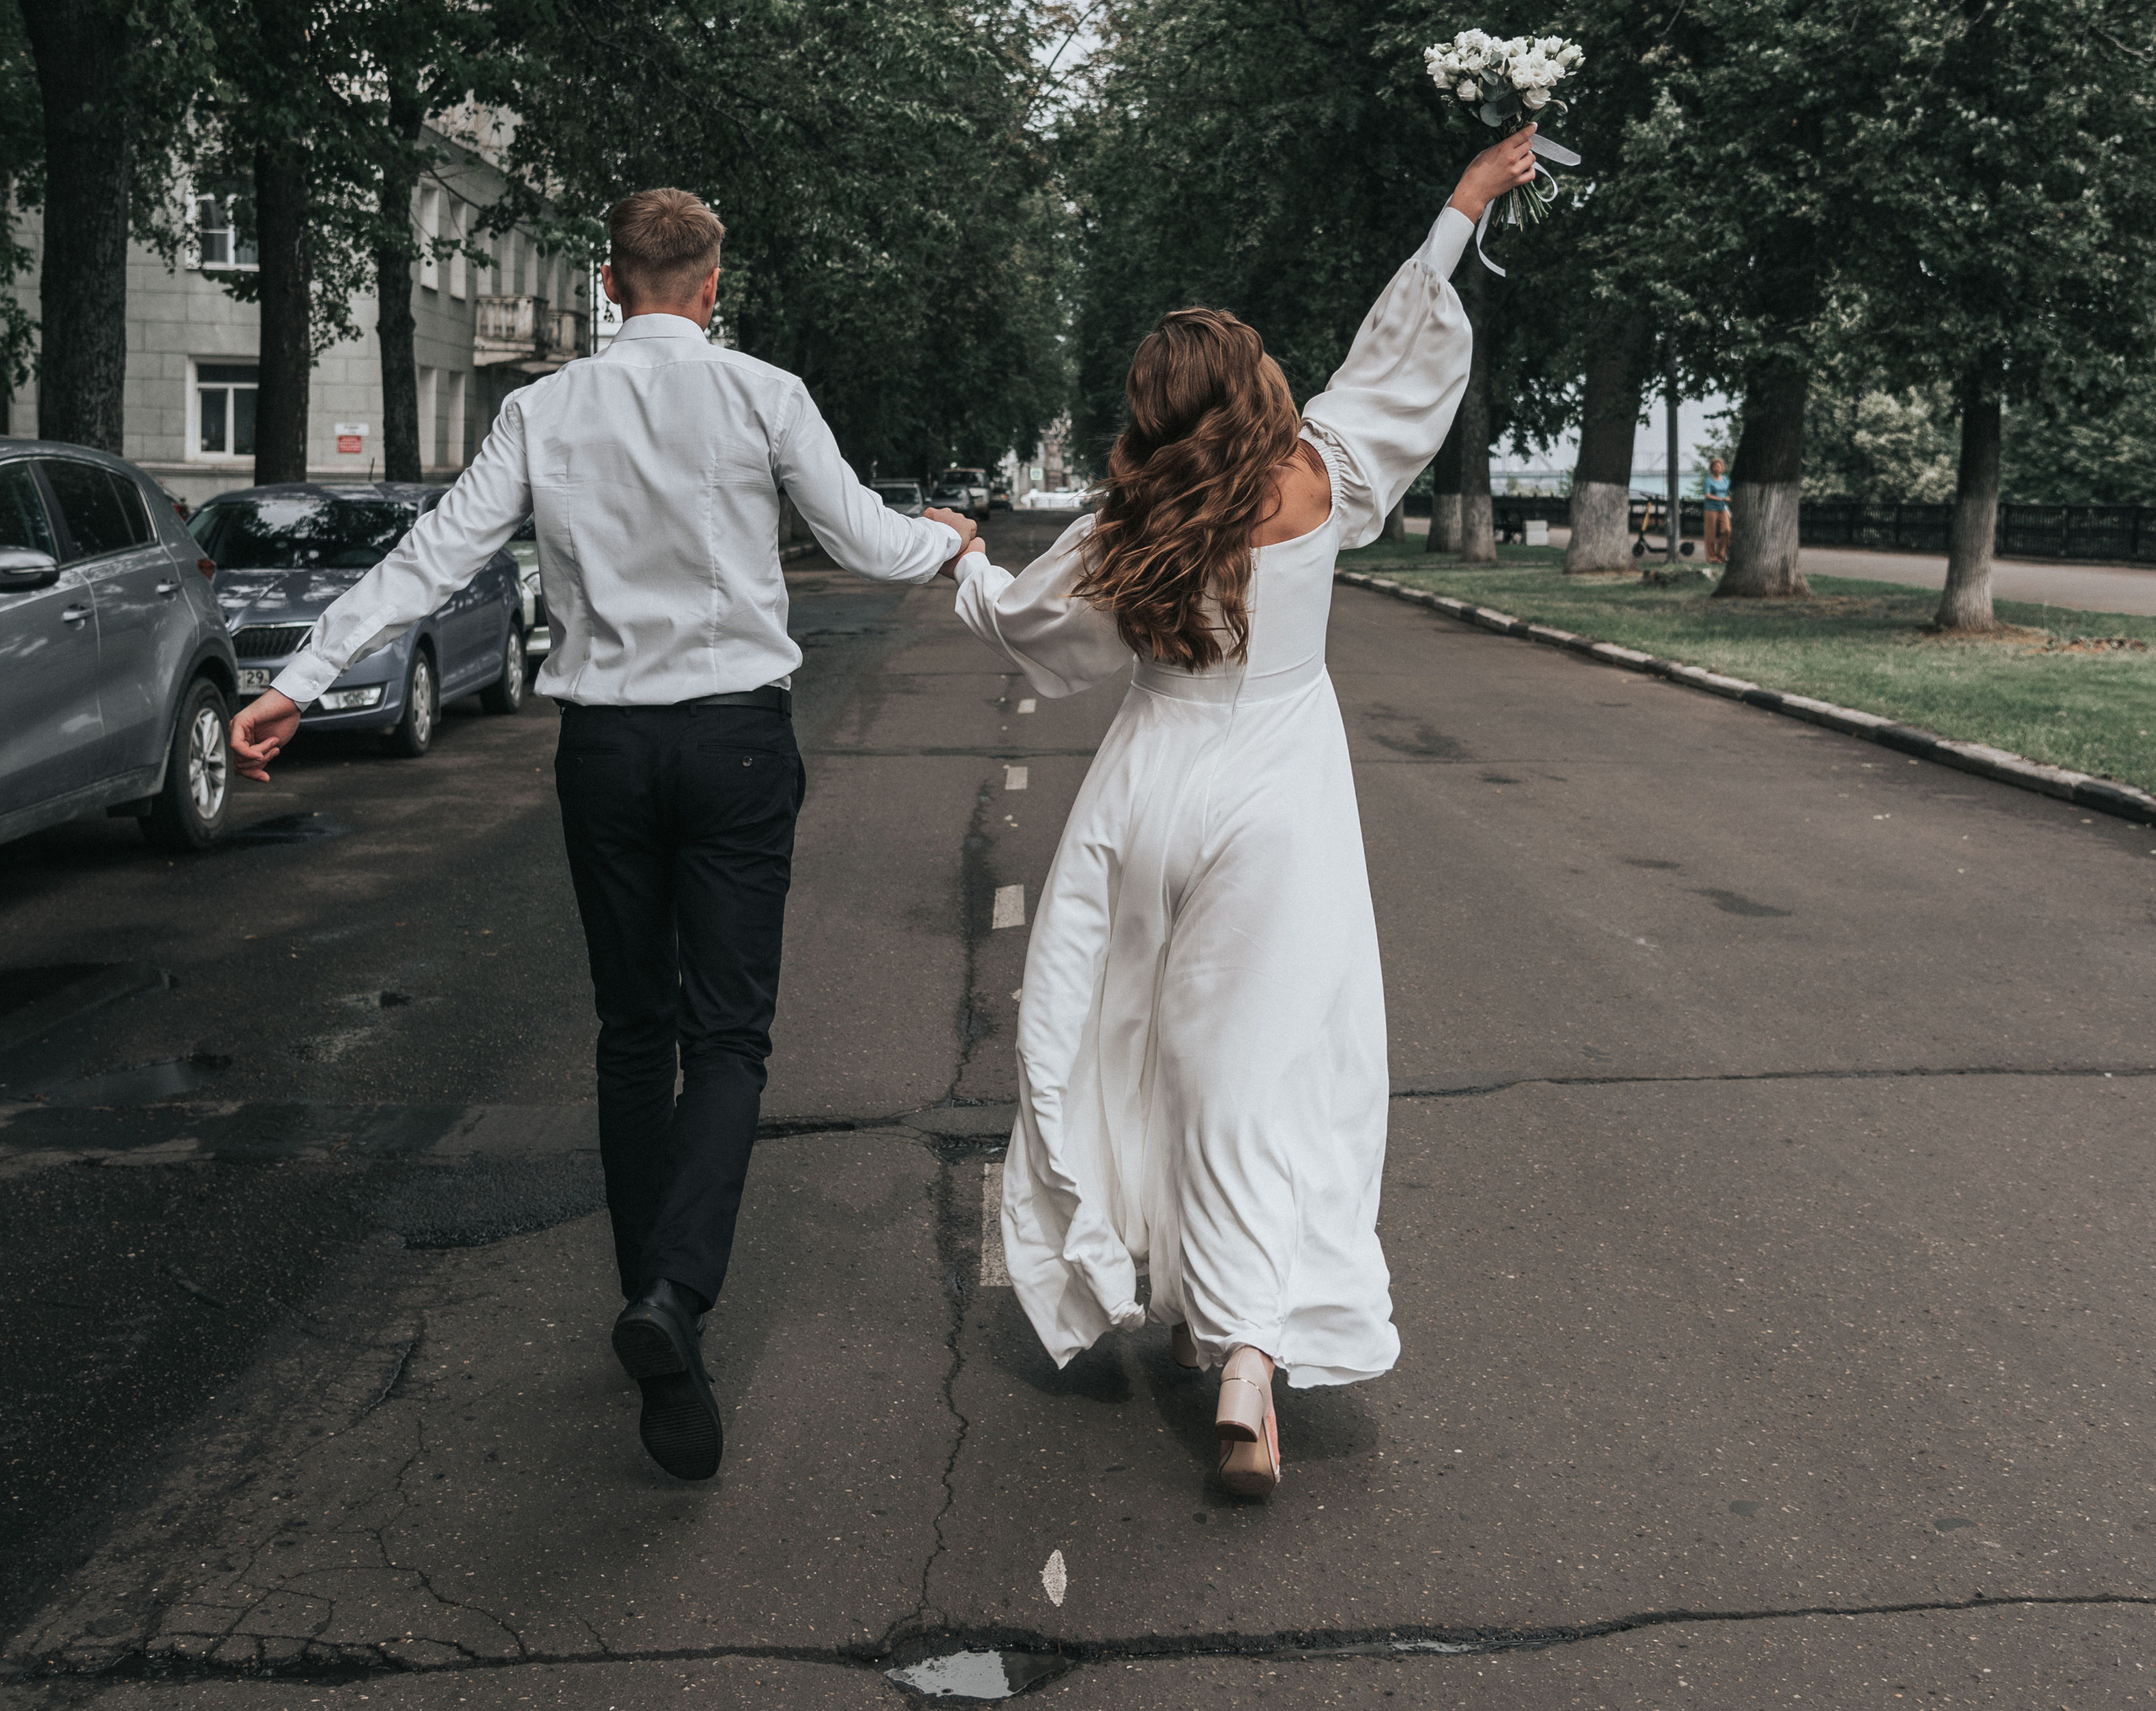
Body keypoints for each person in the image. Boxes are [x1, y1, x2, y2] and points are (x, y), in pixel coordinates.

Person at [226, 188, 974, 1484]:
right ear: (708, 284)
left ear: (612, 285)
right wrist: (949, 539)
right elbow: (866, 539)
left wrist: (303, 672)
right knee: (727, 1032)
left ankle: (649, 1295)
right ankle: (676, 1300)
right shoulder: (762, 391)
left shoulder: (542, 408)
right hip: (736, 740)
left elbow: (439, 552)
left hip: (609, 753)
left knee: (634, 1029)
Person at [947, 125, 1538, 1499]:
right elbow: (1395, 361)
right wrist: (1459, 204)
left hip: (1149, 787)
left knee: (1115, 1035)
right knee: (1252, 1078)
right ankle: (1249, 1359)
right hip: (1281, 798)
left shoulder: (1128, 517)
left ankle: (1118, 1259)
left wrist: (967, 565)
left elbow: (1035, 627)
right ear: (1260, 382)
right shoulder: (1318, 475)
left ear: (1153, 403)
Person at [1702, 451, 1732, 564]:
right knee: (1711, 533)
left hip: (1723, 508)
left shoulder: (1725, 479)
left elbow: (1729, 491)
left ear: (1722, 468)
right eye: (1715, 467)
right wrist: (1721, 499)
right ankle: (1711, 557)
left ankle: (1721, 554)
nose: (1717, 468)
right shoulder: (1708, 480)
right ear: (1712, 468)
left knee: (1727, 530)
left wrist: (1731, 496)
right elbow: (1707, 494)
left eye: (1718, 466)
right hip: (1711, 508)